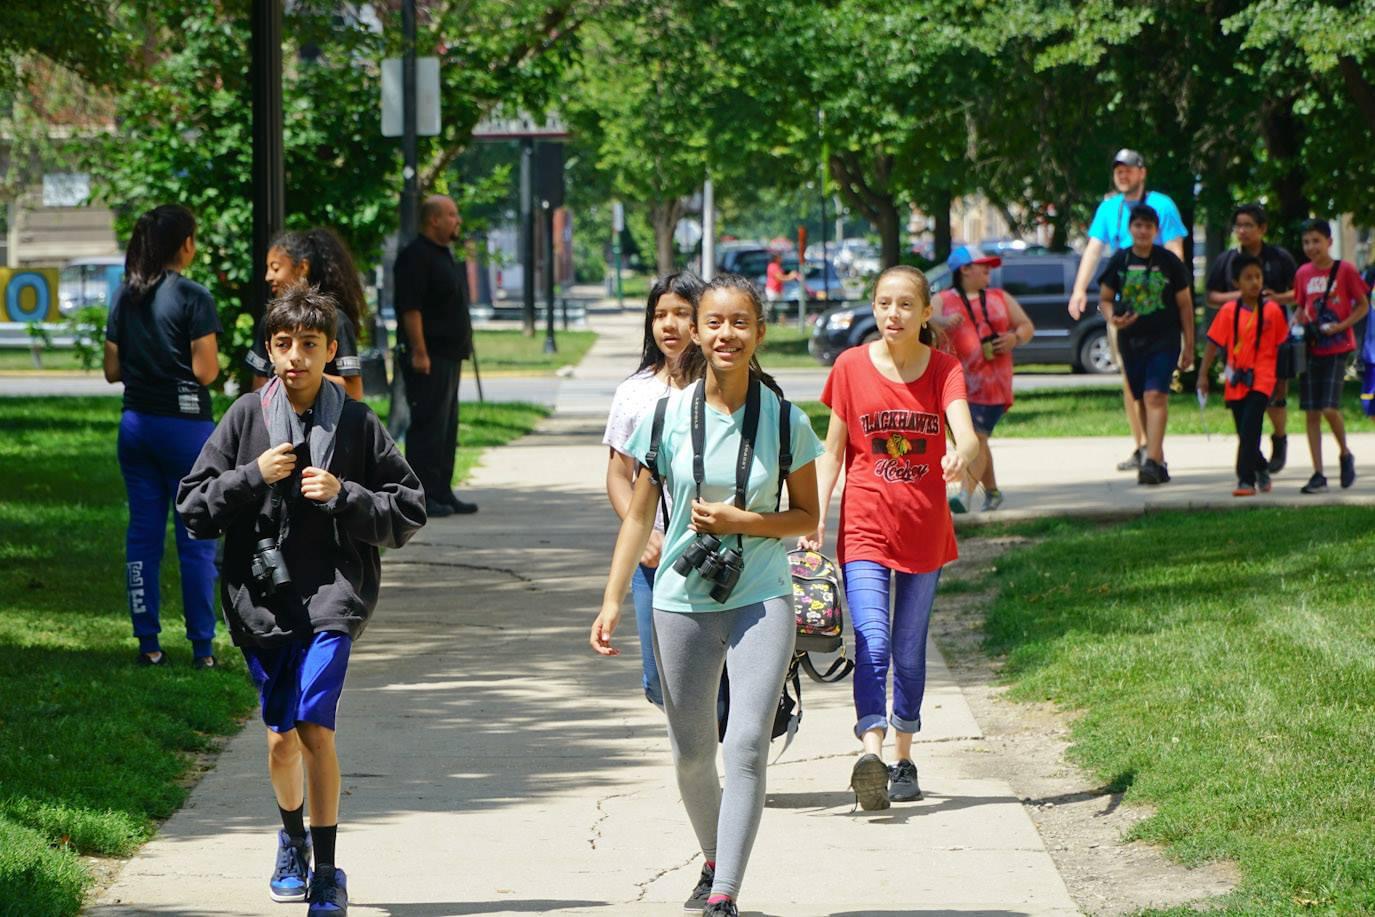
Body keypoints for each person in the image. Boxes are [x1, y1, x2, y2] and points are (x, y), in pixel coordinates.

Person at [177, 286, 426, 917]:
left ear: (332, 352)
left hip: (334, 600)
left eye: (310, 346)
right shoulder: (243, 419)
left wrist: (346, 494)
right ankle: (290, 837)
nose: (296, 358)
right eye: (284, 345)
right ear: (269, 350)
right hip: (262, 602)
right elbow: (193, 508)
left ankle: (327, 869)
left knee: (315, 724)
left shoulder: (359, 426)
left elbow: (408, 508)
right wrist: (253, 475)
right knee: (281, 737)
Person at [590, 274, 823, 917]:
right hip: (679, 601)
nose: (727, 334)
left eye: (740, 322)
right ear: (696, 332)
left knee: (745, 743)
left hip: (763, 594)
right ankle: (713, 854)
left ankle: (724, 893)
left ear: (759, 333)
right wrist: (612, 600)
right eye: (714, 323)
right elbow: (639, 518)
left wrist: (744, 523)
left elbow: (805, 516)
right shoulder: (665, 414)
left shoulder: (784, 418)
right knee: (693, 751)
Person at [800, 265, 979, 811]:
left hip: (925, 531)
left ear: (926, 313)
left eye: (905, 305)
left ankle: (904, 755)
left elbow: (966, 433)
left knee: (908, 649)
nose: (892, 314)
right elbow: (832, 451)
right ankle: (871, 753)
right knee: (873, 643)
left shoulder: (944, 369)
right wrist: (815, 513)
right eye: (883, 304)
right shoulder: (851, 366)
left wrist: (961, 453)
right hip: (866, 528)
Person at [101, 204, 221, 668]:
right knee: (196, 538)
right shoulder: (194, 297)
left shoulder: (124, 297)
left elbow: (112, 370)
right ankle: (203, 647)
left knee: (143, 535)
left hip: (135, 427)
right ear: (185, 244)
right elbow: (206, 371)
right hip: (186, 430)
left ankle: (147, 643)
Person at [602, 272, 702, 709]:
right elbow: (617, 476)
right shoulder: (634, 393)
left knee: (712, 679)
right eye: (660, 314)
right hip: (654, 559)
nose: (669, 325)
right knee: (659, 680)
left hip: (714, 552)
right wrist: (642, 534)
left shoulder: (722, 389)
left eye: (681, 313)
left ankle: (716, 762)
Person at [1067, 149, 1188, 473]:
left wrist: (1179, 291)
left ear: (1142, 172)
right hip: (1123, 311)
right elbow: (1094, 249)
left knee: (1155, 388)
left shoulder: (1162, 205)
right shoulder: (1109, 208)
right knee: (1131, 383)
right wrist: (1080, 290)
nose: (1122, 174)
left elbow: (1176, 249)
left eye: (1129, 169)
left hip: (1160, 311)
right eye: (1117, 169)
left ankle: (1154, 451)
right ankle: (1142, 446)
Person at [1096, 204, 1196, 485]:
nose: (1142, 231)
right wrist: (1112, 318)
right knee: (1140, 397)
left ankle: (1150, 462)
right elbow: (1104, 298)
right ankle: (1157, 457)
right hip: (1131, 339)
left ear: (1156, 230)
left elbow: (1185, 305)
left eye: (1148, 226)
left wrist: (1189, 345)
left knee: (1155, 396)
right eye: (1137, 226)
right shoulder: (1120, 260)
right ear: (1130, 229)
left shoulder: (1169, 262)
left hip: (1164, 338)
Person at [933, 246, 1034, 512]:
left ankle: (964, 496)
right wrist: (942, 321)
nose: (989, 269)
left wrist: (1014, 338)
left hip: (993, 385)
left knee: (976, 438)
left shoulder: (1000, 297)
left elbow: (1026, 326)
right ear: (964, 270)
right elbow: (928, 318)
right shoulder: (944, 298)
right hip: (955, 384)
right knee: (975, 442)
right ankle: (992, 492)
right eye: (982, 265)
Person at [395, 194, 476, 518]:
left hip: (449, 355)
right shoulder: (415, 256)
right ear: (434, 220)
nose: (458, 220)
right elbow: (410, 309)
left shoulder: (443, 254)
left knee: (446, 427)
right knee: (428, 426)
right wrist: (419, 351)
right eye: (452, 215)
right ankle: (422, 495)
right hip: (428, 356)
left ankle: (442, 490)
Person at [1205, 203, 1297, 473]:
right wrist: (1242, 296)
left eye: (1248, 225)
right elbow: (1211, 296)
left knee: (1276, 395)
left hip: (1273, 338)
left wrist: (1275, 298)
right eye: (1239, 226)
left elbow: (1298, 291)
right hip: (1239, 344)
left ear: (1262, 228)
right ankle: (1254, 461)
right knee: (1244, 405)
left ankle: (1279, 439)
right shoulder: (1227, 260)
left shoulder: (1279, 257)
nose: (1242, 231)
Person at [1197, 254, 1288, 496]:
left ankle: (1245, 480)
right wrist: (1203, 375)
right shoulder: (1228, 311)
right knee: (1243, 431)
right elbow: (1213, 343)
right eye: (1248, 278)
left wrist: (1282, 382)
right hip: (1236, 379)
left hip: (1263, 378)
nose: (1255, 283)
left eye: (1258, 277)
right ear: (1236, 283)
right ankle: (1260, 467)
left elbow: (1282, 348)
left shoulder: (1272, 311)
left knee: (1251, 427)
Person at [1293, 218, 1370, 493]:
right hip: (1311, 347)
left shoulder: (1345, 270)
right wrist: (1296, 328)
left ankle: (1345, 453)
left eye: (1316, 241)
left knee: (1328, 407)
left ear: (1329, 242)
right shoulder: (1302, 273)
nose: (1311, 247)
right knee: (1311, 412)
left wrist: (1343, 325)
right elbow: (1301, 307)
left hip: (1337, 347)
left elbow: (1363, 304)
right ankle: (1318, 473)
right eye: (1306, 242)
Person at [246, 228, 369, 400]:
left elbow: (354, 391)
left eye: (275, 268)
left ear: (302, 268)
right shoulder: (270, 320)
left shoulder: (336, 319)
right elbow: (258, 386)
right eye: (283, 344)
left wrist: (305, 376)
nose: (268, 276)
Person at [763, 251, 796, 321]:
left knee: (781, 308)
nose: (781, 258)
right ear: (775, 258)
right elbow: (780, 278)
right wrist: (791, 276)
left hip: (778, 290)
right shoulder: (773, 266)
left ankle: (782, 323)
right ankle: (765, 321)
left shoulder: (777, 266)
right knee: (770, 307)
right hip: (772, 290)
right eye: (779, 257)